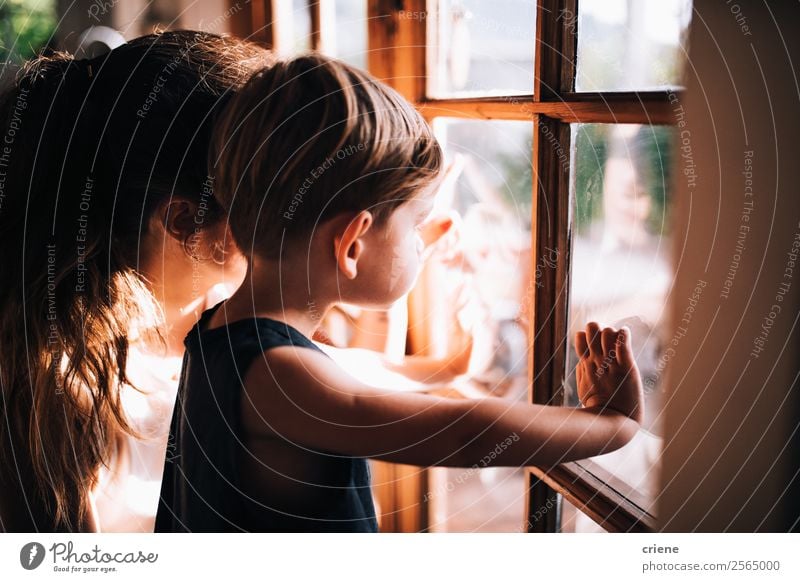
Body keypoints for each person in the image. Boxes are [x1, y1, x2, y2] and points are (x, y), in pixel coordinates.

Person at [154, 54, 645, 533]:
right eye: (415, 226)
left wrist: (450, 362)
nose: (421, 240)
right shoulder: (281, 376)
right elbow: (464, 434)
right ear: (351, 246)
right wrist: (611, 424)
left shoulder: (228, 331)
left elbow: (376, 371)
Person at [0, 30, 271, 532]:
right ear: (185, 221)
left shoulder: (220, 310)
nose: (295, 217)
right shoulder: (56, 392)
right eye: (271, 195)